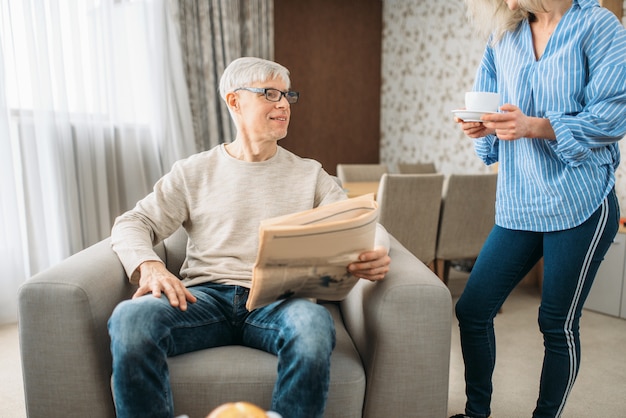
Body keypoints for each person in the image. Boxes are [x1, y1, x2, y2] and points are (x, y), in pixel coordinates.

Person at [107, 56, 391, 418]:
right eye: (271, 94)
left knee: (313, 325)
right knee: (130, 319)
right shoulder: (194, 171)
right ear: (234, 101)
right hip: (202, 298)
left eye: (288, 95)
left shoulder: (309, 174)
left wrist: (374, 250)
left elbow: (361, 223)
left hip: (279, 301)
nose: (284, 104)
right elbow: (133, 222)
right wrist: (150, 266)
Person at [451, 1, 626, 417]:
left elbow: (614, 112)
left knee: (556, 324)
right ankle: (477, 414)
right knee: (473, 310)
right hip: (520, 201)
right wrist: (482, 124)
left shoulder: (596, 24)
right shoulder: (504, 36)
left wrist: (535, 125)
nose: (506, 3)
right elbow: (489, 108)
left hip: (580, 200)